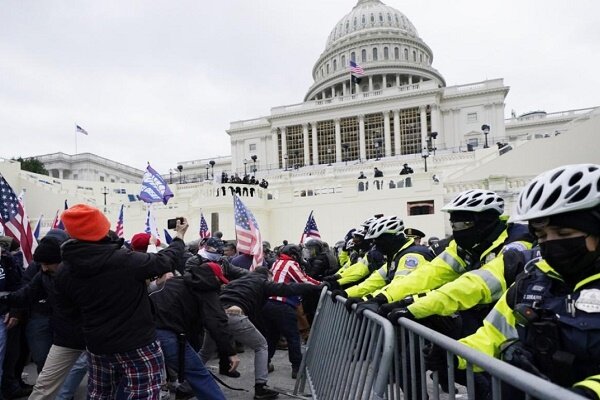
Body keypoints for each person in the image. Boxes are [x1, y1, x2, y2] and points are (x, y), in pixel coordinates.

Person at [426, 164, 600, 399]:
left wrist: (586, 392)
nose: (550, 243)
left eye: (564, 235)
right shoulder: (531, 282)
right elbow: (493, 336)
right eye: (542, 236)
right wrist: (455, 355)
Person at [54, 204, 189, 399]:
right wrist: (178, 237)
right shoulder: (124, 260)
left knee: (100, 395)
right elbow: (165, 261)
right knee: (143, 394)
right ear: (103, 228)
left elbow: (68, 312)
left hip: (98, 346)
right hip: (138, 344)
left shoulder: (64, 270)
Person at [200, 267, 322, 400]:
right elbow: (288, 289)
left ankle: (184, 384)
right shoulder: (263, 283)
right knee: (261, 346)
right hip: (234, 315)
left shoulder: (237, 282)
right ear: (267, 275)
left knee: (205, 352)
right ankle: (261, 387)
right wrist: (316, 287)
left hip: (214, 316)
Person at [0, 233, 86, 400]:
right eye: (41, 265)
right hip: (64, 336)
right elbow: (26, 293)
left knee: (96, 377)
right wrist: (5, 300)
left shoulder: (85, 273)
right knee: (44, 382)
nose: (44, 268)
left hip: (92, 334)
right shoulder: (44, 274)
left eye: (48, 264)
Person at [150, 261, 237, 400]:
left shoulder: (176, 281)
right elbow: (216, 322)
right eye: (219, 280)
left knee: (137, 380)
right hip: (167, 334)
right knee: (199, 375)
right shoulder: (206, 288)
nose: (220, 284)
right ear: (212, 277)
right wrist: (230, 352)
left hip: (143, 332)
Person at [263, 244, 320, 379]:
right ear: (294, 254)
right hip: (283, 304)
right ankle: (297, 368)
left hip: (267, 303)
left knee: (272, 336)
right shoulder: (290, 264)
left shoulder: (277, 263)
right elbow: (304, 280)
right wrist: (321, 285)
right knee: (293, 337)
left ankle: (264, 364)